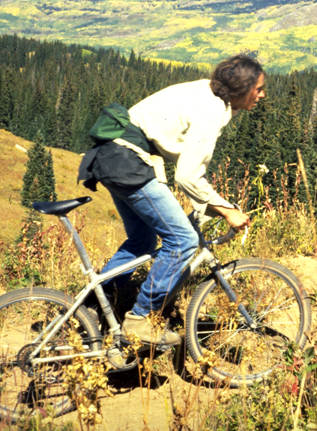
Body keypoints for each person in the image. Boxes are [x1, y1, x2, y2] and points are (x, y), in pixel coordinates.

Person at [78, 54, 266, 345]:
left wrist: (209, 206)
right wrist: (228, 210)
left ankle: (94, 306)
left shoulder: (208, 92)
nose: (263, 95)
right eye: (259, 88)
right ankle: (139, 319)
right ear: (242, 88)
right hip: (128, 162)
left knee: (142, 241)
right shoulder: (212, 109)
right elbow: (187, 177)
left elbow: (185, 170)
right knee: (183, 241)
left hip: (115, 156)